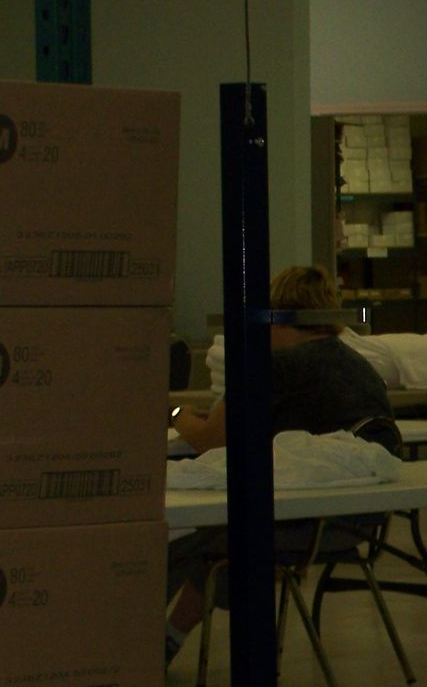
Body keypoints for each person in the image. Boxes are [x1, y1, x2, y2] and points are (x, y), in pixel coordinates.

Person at [164, 265, 392, 663]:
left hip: (302, 522)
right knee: (220, 534)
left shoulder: (277, 367)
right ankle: (164, 641)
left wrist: (173, 411)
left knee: (184, 538)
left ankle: (132, 649)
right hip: (358, 518)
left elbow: (211, 440)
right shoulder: (354, 365)